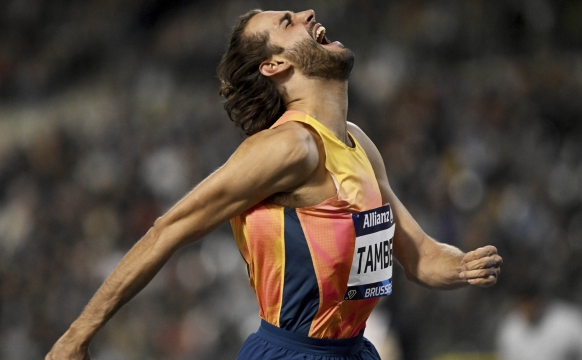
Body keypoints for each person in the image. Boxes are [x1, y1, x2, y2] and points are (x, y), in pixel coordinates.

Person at [46, 9, 503, 360]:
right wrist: (76, 335)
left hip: (355, 351)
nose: (307, 13)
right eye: (288, 22)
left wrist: (461, 266)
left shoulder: (357, 143)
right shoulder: (287, 148)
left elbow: (418, 255)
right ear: (275, 64)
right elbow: (167, 230)